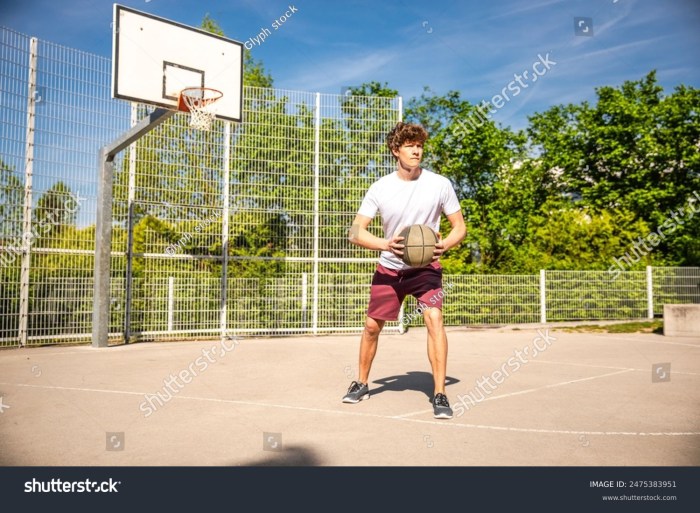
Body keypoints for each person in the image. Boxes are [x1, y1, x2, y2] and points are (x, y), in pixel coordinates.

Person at [342, 121, 466, 419]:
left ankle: (439, 393)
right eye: (410, 145)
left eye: (420, 145)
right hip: (390, 268)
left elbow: (459, 227)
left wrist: (445, 245)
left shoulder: (440, 184)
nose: (416, 150)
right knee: (372, 326)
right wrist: (386, 244)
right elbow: (355, 232)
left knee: (434, 318)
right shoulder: (380, 187)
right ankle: (360, 381)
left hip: (426, 267)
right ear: (395, 150)